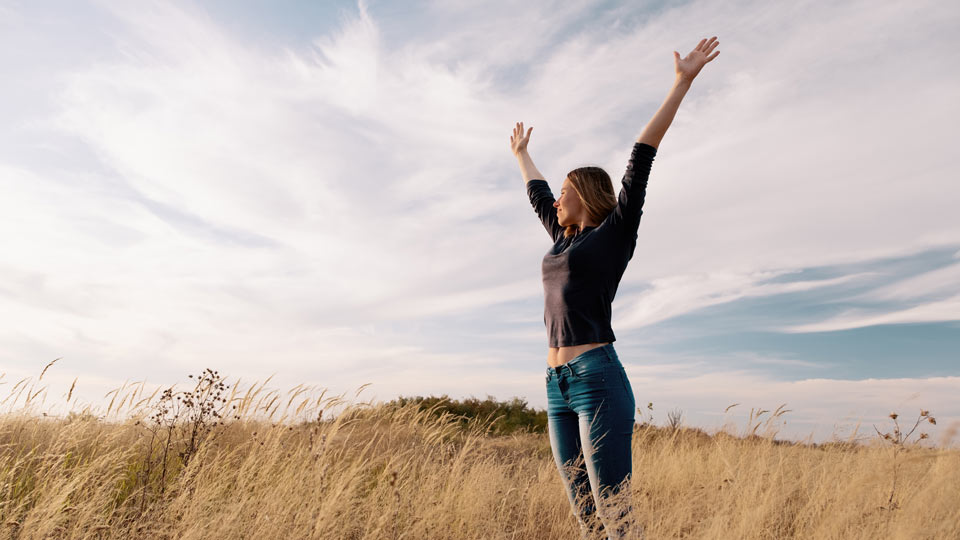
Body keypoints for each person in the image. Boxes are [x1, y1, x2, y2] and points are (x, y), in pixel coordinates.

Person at [509, 36, 720, 539]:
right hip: (555, 385)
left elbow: (641, 155)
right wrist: (522, 154)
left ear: (584, 193)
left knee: (615, 517)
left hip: (597, 379)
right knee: (584, 516)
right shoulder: (562, 239)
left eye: (565, 192)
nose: (556, 200)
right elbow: (537, 194)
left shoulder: (613, 235)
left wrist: (681, 83)